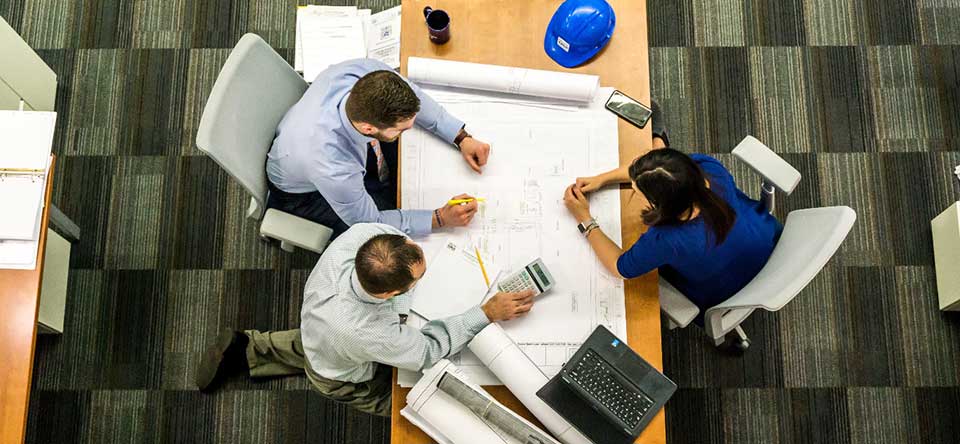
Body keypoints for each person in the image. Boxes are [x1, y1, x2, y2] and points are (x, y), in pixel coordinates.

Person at [195, 223, 536, 416]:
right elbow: (427, 351)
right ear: (390, 294)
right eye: (418, 279)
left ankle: (247, 347)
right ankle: (414, 413)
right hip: (340, 372)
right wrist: (486, 312)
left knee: (313, 343)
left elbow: (395, 239)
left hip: (319, 326)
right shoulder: (369, 332)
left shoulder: (360, 238)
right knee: (407, 404)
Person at [561, 106, 781, 350]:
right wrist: (603, 178)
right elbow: (658, 170)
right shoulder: (708, 169)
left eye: (637, 191)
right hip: (767, 242)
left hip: (724, 291)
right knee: (655, 124)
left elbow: (619, 267)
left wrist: (585, 219)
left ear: (659, 204)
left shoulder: (667, 239)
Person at [266, 58, 492, 238]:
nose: (409, 130)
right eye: (402, 129)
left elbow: (415, 98)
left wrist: (460, 137)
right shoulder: (333, 167)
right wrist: (440, 218)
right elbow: (370, 222)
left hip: (306, 139)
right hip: (304, 194)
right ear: (368, 128)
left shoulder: (365, 73)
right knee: (385, 239)